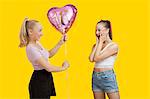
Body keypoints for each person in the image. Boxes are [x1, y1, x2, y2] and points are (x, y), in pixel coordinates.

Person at [19, 18, 70, 99]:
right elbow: (48, 68)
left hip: (46, 79)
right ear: (30, 31)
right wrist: (64, 67)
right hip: (39, 81)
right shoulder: (30, 48)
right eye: (39, 31)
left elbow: (48, 54)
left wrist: (60, 43)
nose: (42, 34)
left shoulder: (37, 43)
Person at [89, 20, 120, 99]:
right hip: (95, 77)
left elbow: (97, 58)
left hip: (107, 76)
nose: (97, 32)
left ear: (107, 30)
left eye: (99, 30)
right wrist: (98, 43)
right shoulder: (96, 45)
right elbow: (91, 59)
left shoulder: (113, 46)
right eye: (96, 30)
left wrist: (100, 42)